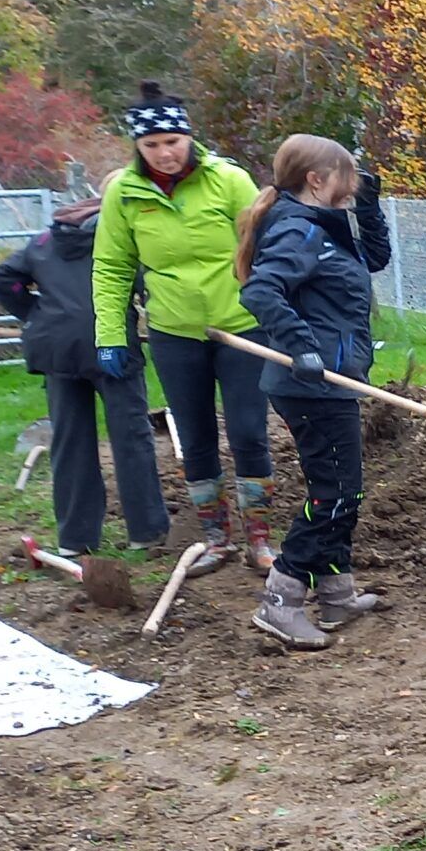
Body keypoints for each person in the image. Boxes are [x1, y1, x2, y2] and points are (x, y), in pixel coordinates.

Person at [91, 82, 279, 571]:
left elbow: (268, 248)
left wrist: (277, 312)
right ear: (137, 145)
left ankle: (259, 539)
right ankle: (217, 539)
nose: (164, 153)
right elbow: (111, 267)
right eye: (151, 144)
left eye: (172, 141)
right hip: (175, 333)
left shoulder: (228, 181)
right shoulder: (125, 194)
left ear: (189, 136)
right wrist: (110, 335)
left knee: (248, 431)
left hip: (241, 327)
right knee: (194, 438)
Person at [237, 135, 393, 649]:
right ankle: (280, 599)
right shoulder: (298, 228)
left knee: (344, 490)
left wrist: (368, 208)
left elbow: (373, 260)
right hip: (311, 386)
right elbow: (261, 290)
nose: (354, 182)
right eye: (348, 175)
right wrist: (301, 347)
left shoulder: (323, 227)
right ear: (317, 179)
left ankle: (336, 593)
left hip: (333, 382)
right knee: (335, 493)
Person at [0, 199, 173, 561]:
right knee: (131, 437)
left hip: (57, 350)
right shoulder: (119, 239)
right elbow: (152, 287)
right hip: (110, 348)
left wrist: (36, 315)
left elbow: (3, 280)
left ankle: (75, 539)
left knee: (70, 441)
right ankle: (147, 531)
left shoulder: (44, 242)